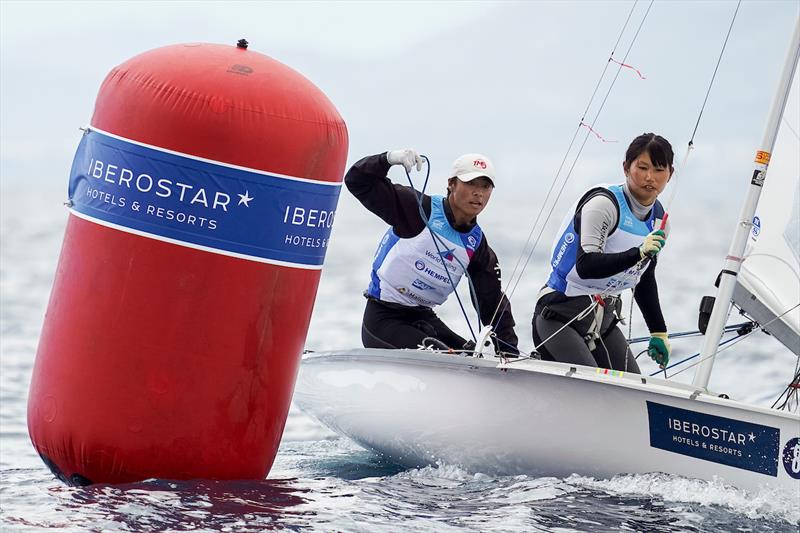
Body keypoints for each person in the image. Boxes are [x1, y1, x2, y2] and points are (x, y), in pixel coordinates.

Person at [344, 149, 519, 355]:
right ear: (451, 184)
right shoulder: (417, 209)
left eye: (485, 186)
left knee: (472, 356)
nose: (478, 193)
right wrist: (387, 159)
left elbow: (492, 301)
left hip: (424, 317)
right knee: (453, 359)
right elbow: (357, 181)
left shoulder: (476, 245)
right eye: (471, 183)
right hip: (384, 319)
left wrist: (509, 354)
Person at [532, 133, 674, 373]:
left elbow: (644, 278)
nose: (650, 177)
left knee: (632, 391)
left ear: (670, 173)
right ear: (626, 168)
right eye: (642, 167)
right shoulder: (603, 205)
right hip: (558, 317)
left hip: (603, 321)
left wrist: (658, 331)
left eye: (659, 170)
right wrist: (638, 252)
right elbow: (586, 265)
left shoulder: (660, 221)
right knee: (596, 388)